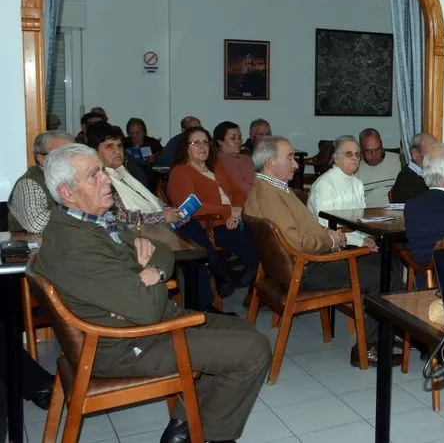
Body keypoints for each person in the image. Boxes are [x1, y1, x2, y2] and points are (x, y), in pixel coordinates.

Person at [31, 143, 270, 443]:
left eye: (102, 172)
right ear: (67, 193)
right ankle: (208, 435)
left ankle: (182, 427)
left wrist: (150, 273)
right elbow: (148, 310)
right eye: (94, 176)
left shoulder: (95, 222)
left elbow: (160, 249)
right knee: (253, 349)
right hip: (124, 344)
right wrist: (143, 278)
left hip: (135, 325)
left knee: (238, 327)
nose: (106, 180)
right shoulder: (74, 247)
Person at [244, 136, 399, 367]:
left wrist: (333, 238)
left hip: (291, 265)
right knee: (386, 273)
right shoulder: (271, 195)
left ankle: (383, 331)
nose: (297, 164)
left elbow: (301, 231)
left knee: (386, 262)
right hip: (306, 268)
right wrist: (331, 240)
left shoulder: (265, 188)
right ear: (270, 163)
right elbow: (299, 243)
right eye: (289, 158)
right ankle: (367, 348)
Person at [166, 126, 260, 298]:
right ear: (186, 148)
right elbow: (191, 207)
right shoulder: (181, 172)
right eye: (196, 143)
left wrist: (236, 211)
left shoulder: (216, 166)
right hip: (208, 225)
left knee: (263, 232)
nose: (202, 147)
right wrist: (229, 211)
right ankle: (239, 278)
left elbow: (238, 192)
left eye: (205, 142)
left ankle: (252, 284)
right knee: (251, 238)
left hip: (233, 217)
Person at [85, 122, 182, 227]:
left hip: (157, 229)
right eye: (109, 147)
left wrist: (173, 213)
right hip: (136, 236)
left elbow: (150, 199)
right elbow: (120, 217)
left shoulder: (124, 172)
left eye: (119, 146)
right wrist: (162, 217)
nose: (117, 151)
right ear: (94, 152)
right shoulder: (100, 181)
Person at [307, 135, 378, 250]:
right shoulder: (325, 184)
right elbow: (327, 227)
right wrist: (360, 242)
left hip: (356, 241)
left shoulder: (357, 184)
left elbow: (361, 221)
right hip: (333, 246)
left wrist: (367, 238)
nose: (354, 158)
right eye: (349, 154)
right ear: (336, 158)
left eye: (357, 154)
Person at [7, 131, 74, 233]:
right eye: (60, 154)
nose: (68, 159)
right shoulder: (29, 182)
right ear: (41, 158)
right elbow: (35, 225)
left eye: (72, 153)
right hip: (38, 246)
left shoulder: (79, 177)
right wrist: (79, 212)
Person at [355, 127, 401, 207]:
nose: (374, 155)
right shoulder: (355, 169)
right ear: (361, 149)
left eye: (377, 149)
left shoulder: (400, 161)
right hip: (368, 216)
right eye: (368, 151)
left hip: (397, 214)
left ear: (382, 144)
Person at [390, 132, 437, 203]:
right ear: (415, 154)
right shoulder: (406, 179)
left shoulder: (428, 173)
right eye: (430, 154)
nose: (436, 158)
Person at [213, 121, 255, 194]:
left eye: (239, 137)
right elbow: (241, 187)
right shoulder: (220, 161)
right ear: (220, 142)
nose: (238, 141)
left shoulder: (247, 158)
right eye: (233, 138)